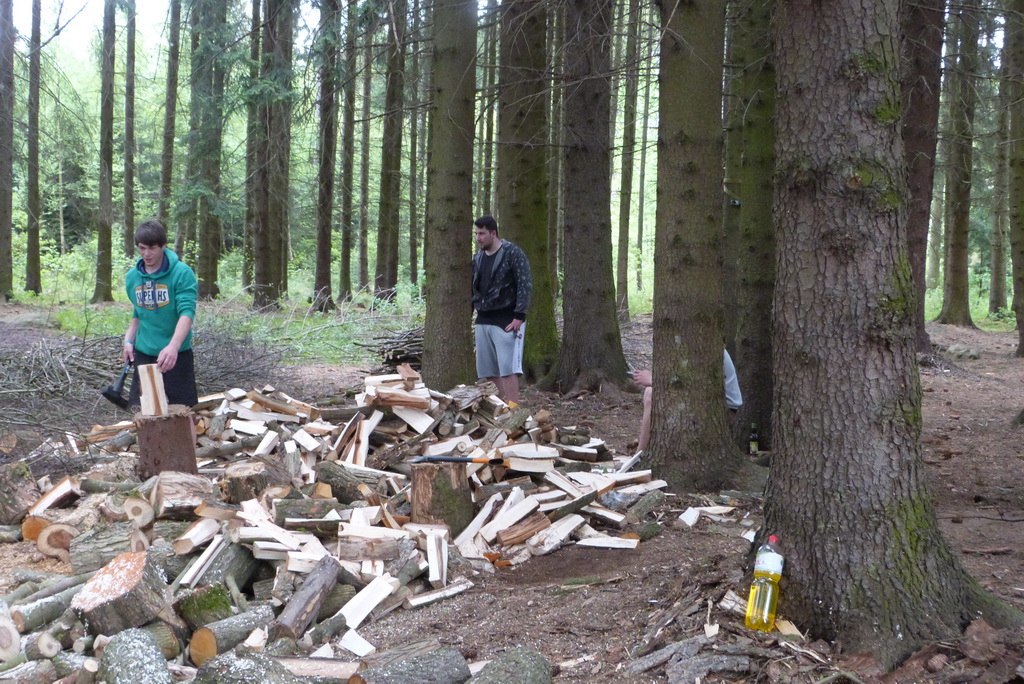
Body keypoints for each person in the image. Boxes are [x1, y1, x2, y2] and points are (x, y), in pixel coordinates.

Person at [122, 220, 199, 408]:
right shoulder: (132, 277)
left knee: (181, 412)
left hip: (176, 354)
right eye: (142, 248)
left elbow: (187, 313)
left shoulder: (182, 273)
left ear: (163, 246)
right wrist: (128, 340)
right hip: (144, 354)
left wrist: (173, 346)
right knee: (145, 412)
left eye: (152, 248)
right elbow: (138, 312)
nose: (147, 254)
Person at [471, 215, 532, 404]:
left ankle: (513, 410)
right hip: (483, 319)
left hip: (507, 320)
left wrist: (519, 316)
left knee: (508, 369)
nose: (478, 238)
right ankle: (500, 408)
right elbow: (473, 288)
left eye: (482, 234)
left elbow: (525, 285)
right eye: (476, 234)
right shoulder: (478, 258)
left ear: (493, 233)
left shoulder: (513, 253)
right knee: (488, 371)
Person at [633, 349, 742, 451]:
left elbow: (696, 389)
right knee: (650, 391)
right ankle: (646, 451)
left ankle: (640, 455)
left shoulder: (702, 347)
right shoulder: (684, 347)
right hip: (703, 404)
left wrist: (653, 381)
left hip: (723, 411)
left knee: (652, 393)